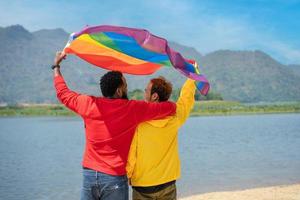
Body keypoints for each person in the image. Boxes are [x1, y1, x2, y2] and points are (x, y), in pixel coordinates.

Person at [52, 52, 176, 200]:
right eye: (125, 85)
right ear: (119, 90)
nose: (127, 88)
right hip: (114, 177)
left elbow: (63, 93)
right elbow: (170, 107)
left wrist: (56, 66)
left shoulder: (88, 103)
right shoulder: (132, 109)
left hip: (89, 175)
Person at [126, 76, 196, 200]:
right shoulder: (174, 118)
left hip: (143, 185)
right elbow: (186, 100)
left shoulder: (139, 123)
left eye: (147, 90)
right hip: (167, 183)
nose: (144, 92)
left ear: (155, 96)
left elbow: (132, 153)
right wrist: (192, 78)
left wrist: (128, 174)